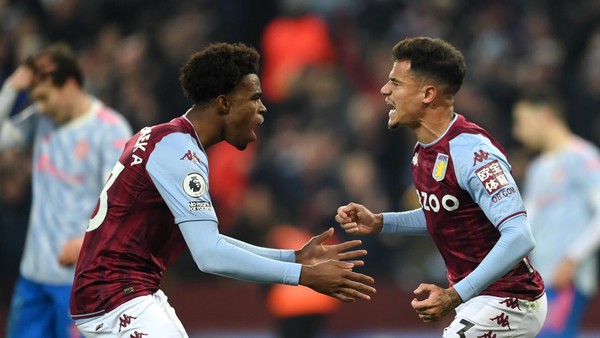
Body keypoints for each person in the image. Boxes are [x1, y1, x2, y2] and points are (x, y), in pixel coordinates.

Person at [70, 42, 376, 337]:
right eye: (254, 98)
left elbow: (210, 242)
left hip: (123, 294)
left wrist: (293, 258)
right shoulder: (180, 152)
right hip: (115, 299)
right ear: (224, 103)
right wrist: (303, 276)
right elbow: (209, 256)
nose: (263, 107)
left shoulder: (165, 138)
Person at [335, 37, 547, 337]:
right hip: (477, 300)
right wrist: (380, 222)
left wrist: (454, 294)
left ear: (428, 93)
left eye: (395, 82)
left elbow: (520, 235)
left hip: (511, 300)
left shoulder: (473, 153)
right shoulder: (424, 153)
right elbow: (445, 215)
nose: (384, 90)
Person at [0, 43, 132, 338]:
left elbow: (120, 202)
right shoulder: (42, 120)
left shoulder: (109, 129)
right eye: (36, 99)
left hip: (80, 281)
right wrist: (10, 87)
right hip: (33, 278)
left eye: (45, 98)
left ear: (70, 84)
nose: (41, 107)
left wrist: (88, 240)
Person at [513, 88, 600, 338]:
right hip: (541, 278)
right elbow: (526, 221)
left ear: (545, 116)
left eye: (523, 121)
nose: (518, 131)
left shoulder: (583, 157)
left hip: (567, 279)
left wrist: (572, 258)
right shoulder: (539, 168)